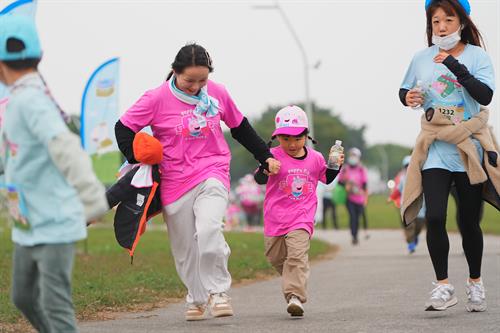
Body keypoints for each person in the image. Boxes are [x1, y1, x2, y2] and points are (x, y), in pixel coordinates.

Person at [115, 43, 280, 321]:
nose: (196, 86)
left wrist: (264, 156)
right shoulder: (156, 98)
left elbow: (240, 127)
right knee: (184, 251)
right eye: (189, 80)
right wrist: (138, 155)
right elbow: (123, 127)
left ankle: (218, 292)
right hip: (174, 179)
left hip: (212, 170)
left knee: (208, 230)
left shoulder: (217, 92)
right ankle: (196, 296)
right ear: (174, 72)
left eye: (202, 80)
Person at [0, 15, 108, 332]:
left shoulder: (30, 101)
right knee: (23, 297)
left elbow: (65, 145)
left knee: (54, 305)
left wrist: (92, 197)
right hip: (28, 220)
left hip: (54, 222)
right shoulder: (22, 98)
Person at [399, 0, 498, 312]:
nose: (440, 27)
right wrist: (408, 97)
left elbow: (485, 95)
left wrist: (453, 65)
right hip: (436, 147)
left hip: (468, 145)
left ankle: (475, 282)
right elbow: (404, 91)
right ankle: (443, 286)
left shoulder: (477, 56)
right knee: (436, 216)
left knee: (469, 221)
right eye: (435, 21)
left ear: (463, 22)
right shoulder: (420, 58)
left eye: (447, 20)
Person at [254, 105, 344, 317]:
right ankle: (294, 280)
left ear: (307, 136)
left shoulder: (316, 158)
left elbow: (327, 178)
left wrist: (336, 166)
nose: (292, 144)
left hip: (302, 217)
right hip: (275, 218)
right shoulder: (272, 155)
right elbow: (258, 179)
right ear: (277, 138)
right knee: (276, 258)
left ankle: (294, 295)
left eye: (297, 138)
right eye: (285, 139)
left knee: (296, 255)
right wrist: (266, 168)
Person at [388, 156, 425, 254]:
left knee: (419, 225)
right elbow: (397, 190)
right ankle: (411, 243)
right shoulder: (402, 178)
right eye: (406, 166)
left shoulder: (421, 177)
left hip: (420, 208)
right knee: (409, 226)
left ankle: (415, 236)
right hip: (406, 206)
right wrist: (391, 197)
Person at [337, 147, 368, 245]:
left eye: (354, 156)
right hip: (349, 198)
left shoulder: (361, 169)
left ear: (358, 157)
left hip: (359, 198)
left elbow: (364, 184)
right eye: (351, 155)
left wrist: (362, 192)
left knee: (357, 218)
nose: (352, 157)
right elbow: (339, 182)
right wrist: (346, 184)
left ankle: (356, 234)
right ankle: (354, 236)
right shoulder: (345, 168)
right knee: (352, 217)